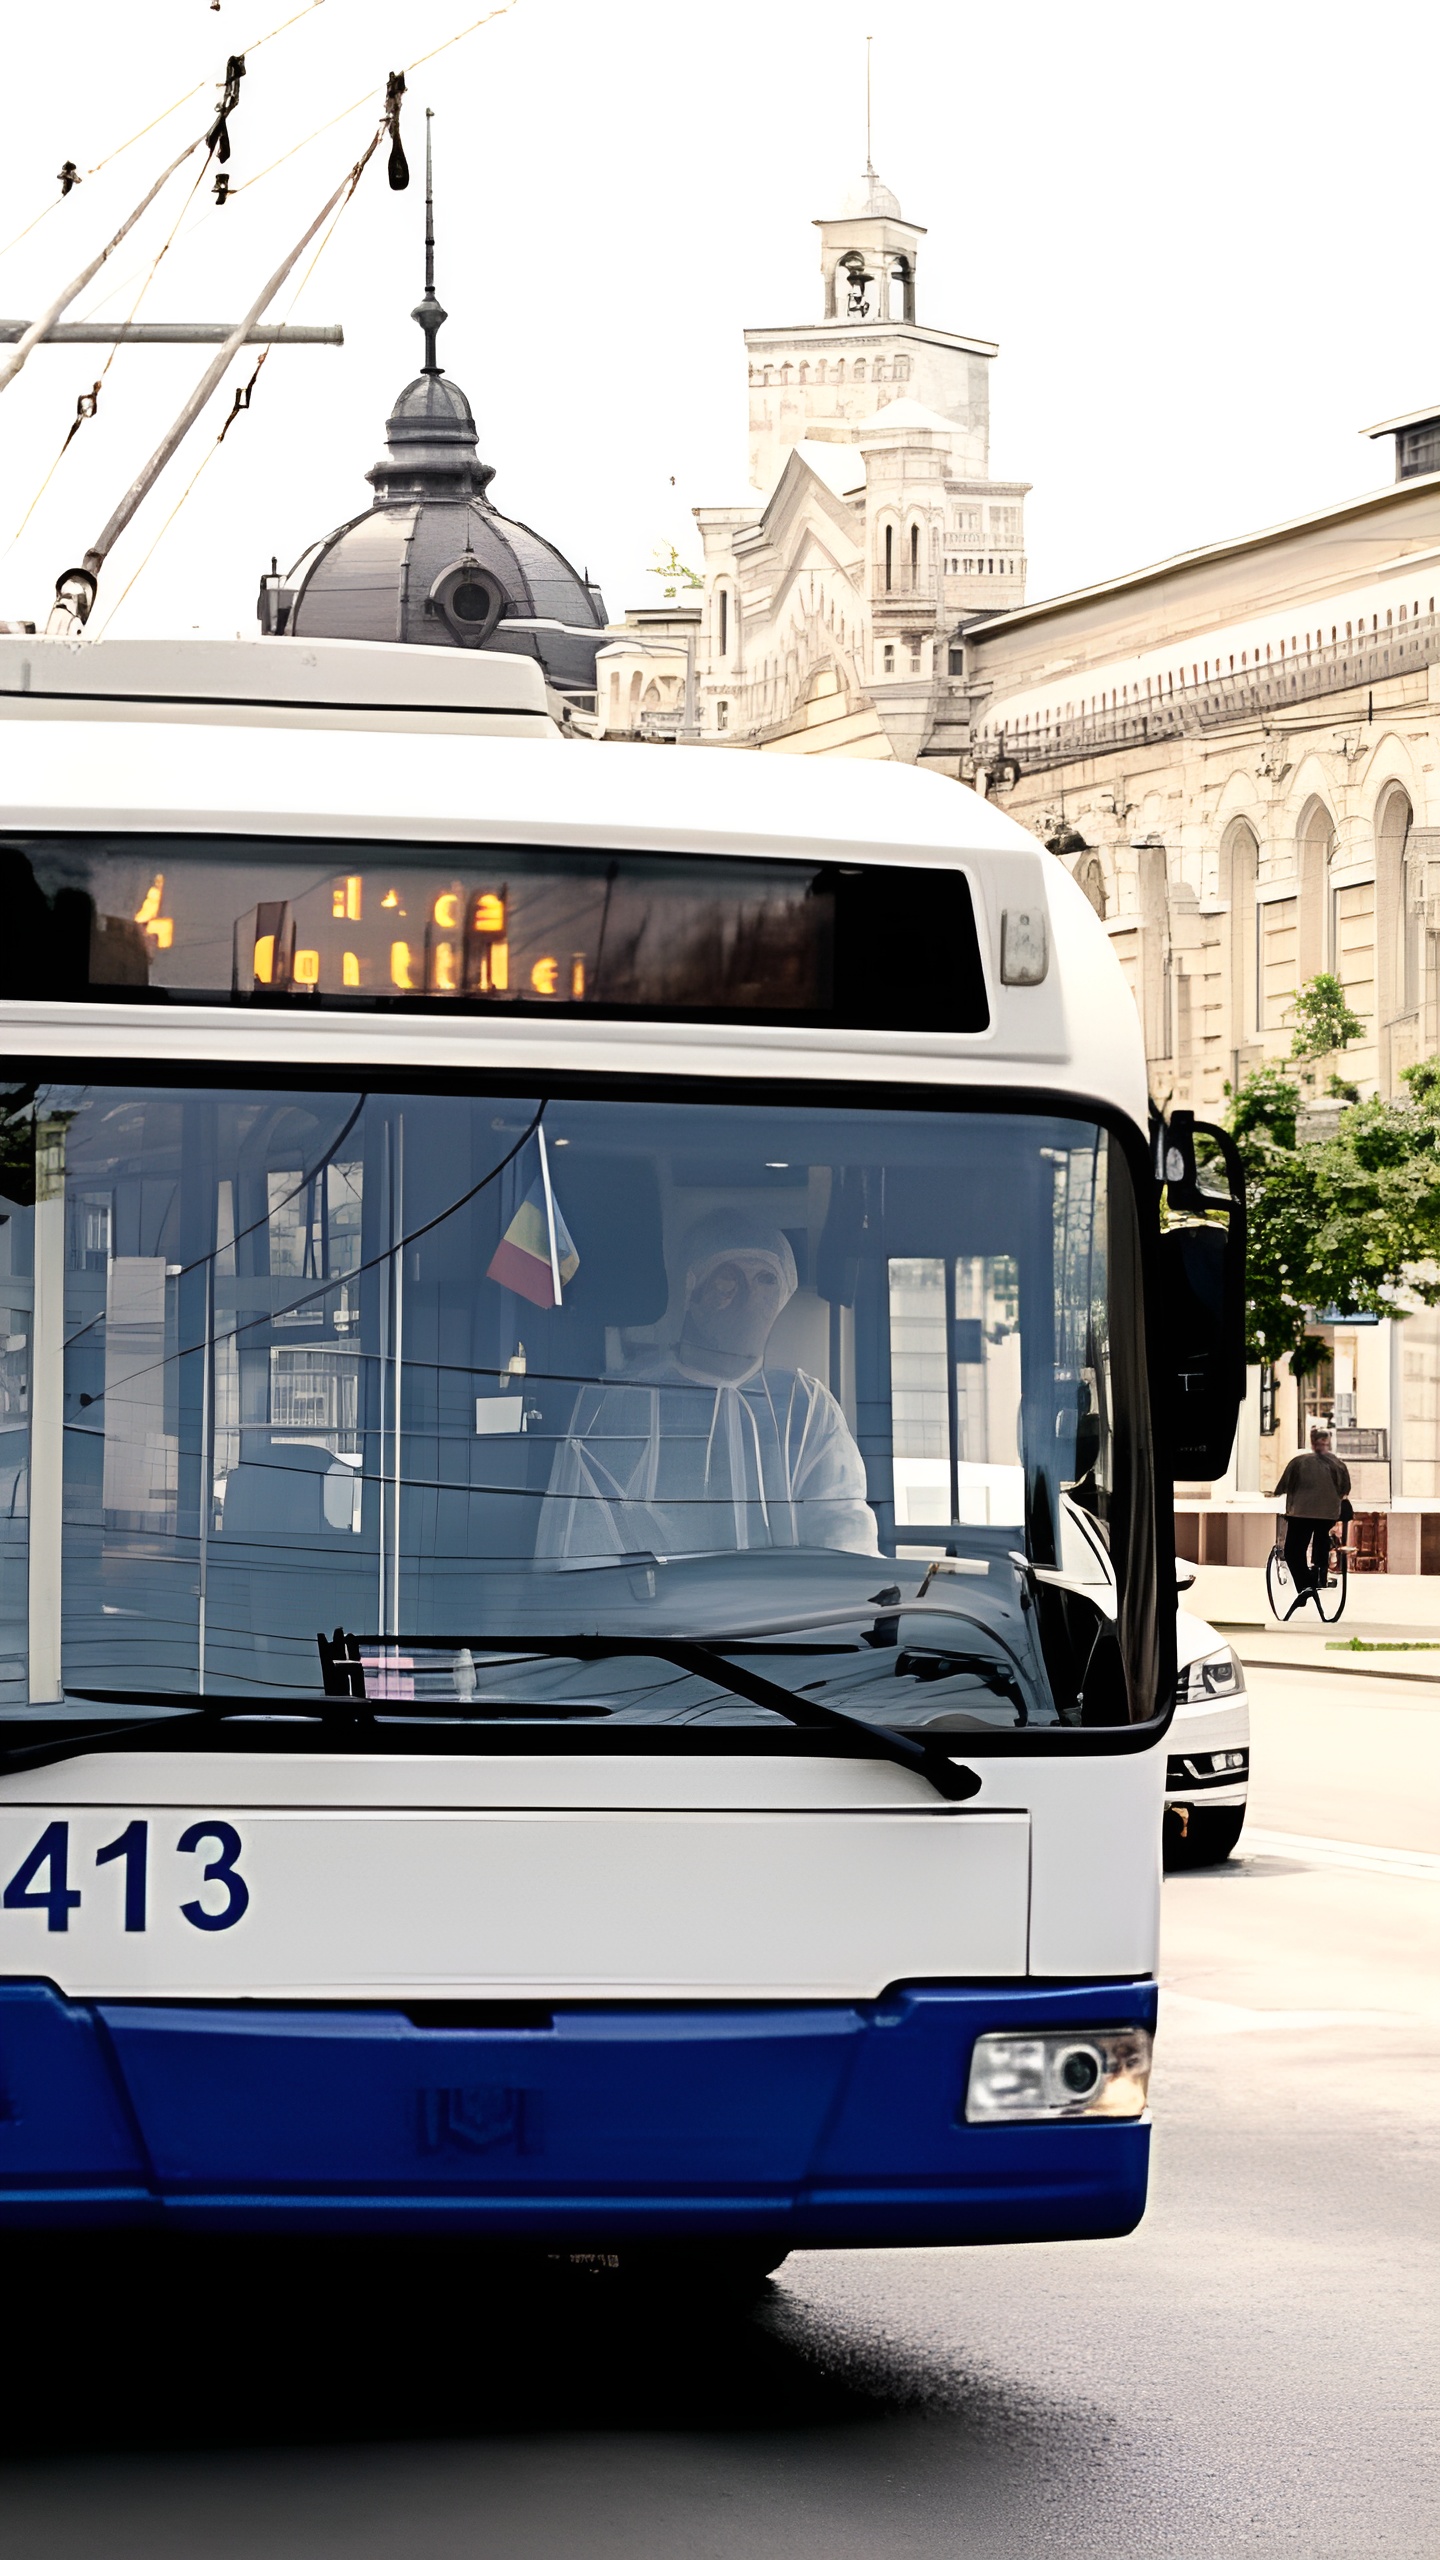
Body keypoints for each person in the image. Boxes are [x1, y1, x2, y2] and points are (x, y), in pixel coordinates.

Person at [538, 1207, 879, 1559]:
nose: (749, 1297)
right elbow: (581, 1547)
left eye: (767, 1280)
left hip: (786, 1614)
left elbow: (844, 1537)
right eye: (728, 1278)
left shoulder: (805, 1408)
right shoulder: (618, 1404)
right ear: (691, 1288)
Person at [1273, 1423, 1351, 1591]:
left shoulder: (1299, 1462)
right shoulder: (1337, 1464)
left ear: (1312, 1441)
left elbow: (1282, 1487)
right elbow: (1345, 1489)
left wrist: (1275, 1492)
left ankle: (1305, 1585)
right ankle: (1320, 1574)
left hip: (1300, 1513)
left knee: (1294, 1551)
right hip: (1327, 1514)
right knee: (1321, 1536)